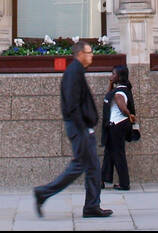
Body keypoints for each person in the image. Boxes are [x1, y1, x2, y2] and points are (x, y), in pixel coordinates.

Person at [33, 39, 112, 218]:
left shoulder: (77, 71)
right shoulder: (73, 72)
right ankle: (43, 193)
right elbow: (72, 104)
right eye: (89, 52)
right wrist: (82, 127)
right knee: (79, 166)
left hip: (82, 126)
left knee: (93, 167)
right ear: (80, 54)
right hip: (79, 127)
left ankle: (92, 206)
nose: (92, 56)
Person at [100, 64, 138, 191]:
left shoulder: (119, 93)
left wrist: (129, 114)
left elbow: (122, 107)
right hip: (116, 125)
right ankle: (102, 179)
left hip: (117, 125)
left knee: (118, 154)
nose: (111, 76)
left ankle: (124, 183)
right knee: (109, 153)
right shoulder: (122, 89)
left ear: (120, 77)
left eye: (113, 74)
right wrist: (111, 83)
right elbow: (109, 96)